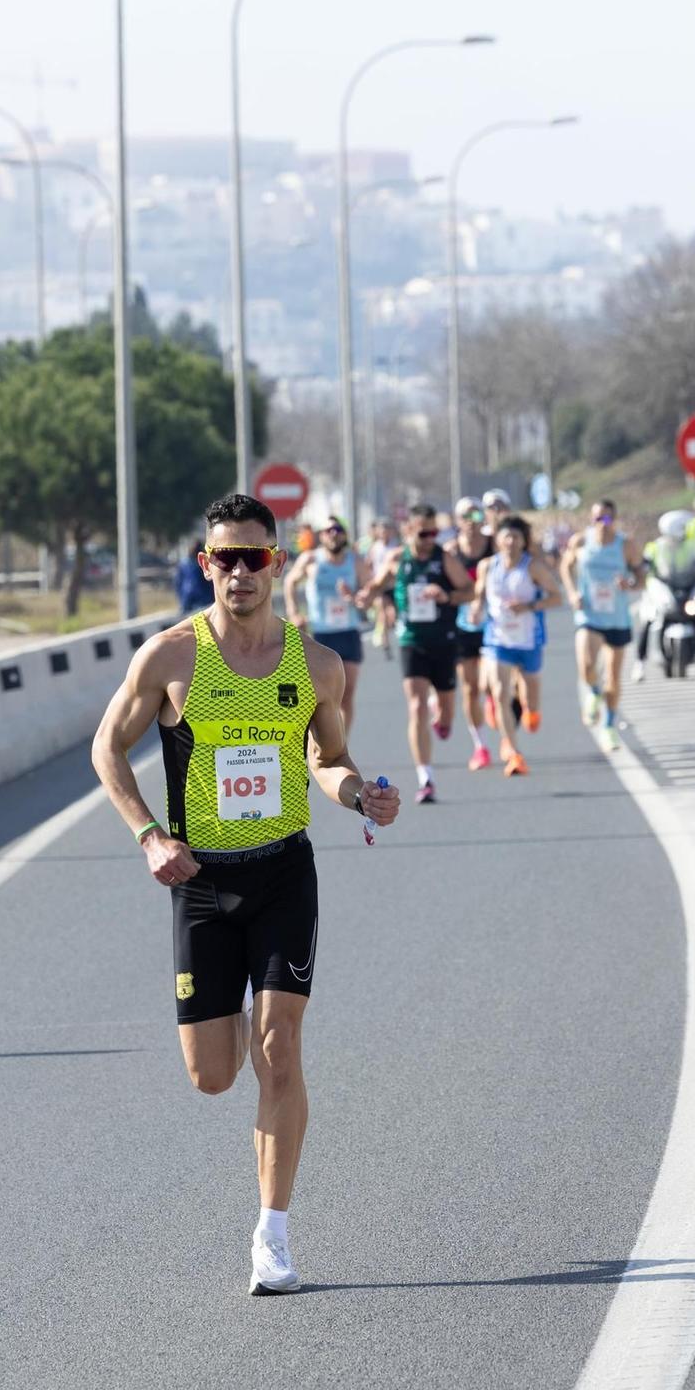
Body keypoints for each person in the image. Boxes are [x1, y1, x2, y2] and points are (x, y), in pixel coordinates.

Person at [91, 493, 401, 1297]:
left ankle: (274, 1235)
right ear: (205, 567)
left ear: (278, 562)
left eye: (252, 557)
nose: (238, 572)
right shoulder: (169, 659)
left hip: (283, 873)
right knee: (213, 1075)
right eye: (223, 559)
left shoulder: (316, 664)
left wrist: (357, 793)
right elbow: (107, 748)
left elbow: (326, 759)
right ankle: (229, 1064)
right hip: (201, 883)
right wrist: (148, 835)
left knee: (280, 1049)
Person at [359, 502, 473, 804]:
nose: (429, 539)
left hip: (444, 640)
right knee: (416, 707)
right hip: (411, 640)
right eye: (424, 533)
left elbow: (470, 591)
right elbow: (376, 584)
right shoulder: (398, 559)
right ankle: (426, 777)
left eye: (434, 532)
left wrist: (446, 595)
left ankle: (444, 716)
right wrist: (364, 595)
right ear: (408, 530)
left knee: (447, 711)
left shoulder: (444, 559)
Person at [475, 514, 563, 777]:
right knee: (500, 692)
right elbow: (479, 595)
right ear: (498, 540)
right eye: (506, 536)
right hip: (498, 639)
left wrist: (529, 606)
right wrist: (475, 609)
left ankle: (531, 712)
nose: (511, 541)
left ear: (524, 541)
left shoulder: (533, 567)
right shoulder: (488, 567)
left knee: (530, 697)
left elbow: (557, 597)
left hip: (528, 640)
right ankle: (513, 752)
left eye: (516, 537)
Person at [560, 497, 643, 751]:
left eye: (607, 518)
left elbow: (641, 577)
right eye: (597, 518)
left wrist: (628, 584)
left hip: (616, 617)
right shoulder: (581, 541)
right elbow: (565, 567)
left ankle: (608, 726)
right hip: (590, 615)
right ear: (591, 519)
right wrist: (573, 593)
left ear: (614, 519)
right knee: (586, 665)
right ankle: (593, 693)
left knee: (614, 678)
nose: (602, 523)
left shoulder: (625, 545)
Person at [283, 516, 370, 732]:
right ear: (321, 535)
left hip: (348, 631)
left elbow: (369, 594)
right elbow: (289, 582)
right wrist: (294, 612)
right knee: (318, 696)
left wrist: (356, 597)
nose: (334, 534)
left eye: (338, 529)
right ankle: (318, 745)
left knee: (346, 695)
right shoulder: (311, 559)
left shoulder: (355, 560)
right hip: (320, 634)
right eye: (329, 530)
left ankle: (341, 745)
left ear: (345, 534)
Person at [633, 511, 695, 681]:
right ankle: (639, 663)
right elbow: (645, 563)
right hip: (664, 589)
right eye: (684, 527)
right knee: (648, 620)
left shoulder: (691, 545)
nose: (687, 530)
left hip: (687, 589)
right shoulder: (656, 546)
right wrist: (642, 567)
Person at [450, 498, 494, 770]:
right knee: (470, 688)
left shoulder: (494, 546)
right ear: (457, 521)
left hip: (495, 624)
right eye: (464, 515)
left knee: (491, 684)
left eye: (475, 514)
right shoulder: (451, 552)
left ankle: (494, 701)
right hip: (462, 625)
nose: (470, 520)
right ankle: (480, 746)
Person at [367, 519, 401, 656]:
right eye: (382, 530)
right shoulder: (375, 547)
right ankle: (386, 643)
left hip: (393, 584)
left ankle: (391, 631)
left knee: (392, 614)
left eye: (387, 530)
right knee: (382, 612)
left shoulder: (395, 546)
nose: (384, 533)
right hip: (380, 585)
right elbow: (368, 564)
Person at [175, 537, 214, 617]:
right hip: (203, 600)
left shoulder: (183, 563)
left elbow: (178, 583)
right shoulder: (200, 564)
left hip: (189, 599)